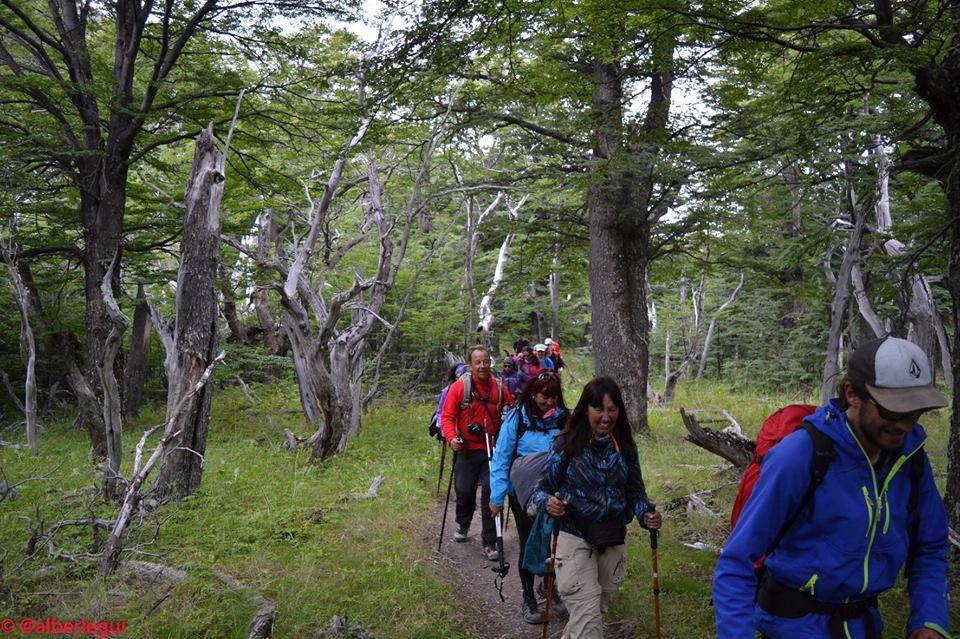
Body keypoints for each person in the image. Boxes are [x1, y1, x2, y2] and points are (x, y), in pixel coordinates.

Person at [713, 336, 950, 639]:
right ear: (852, 394)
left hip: (864, 627)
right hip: (794, 627)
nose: (905, 425)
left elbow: (930, 547)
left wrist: (929, 620)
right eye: (892, 411)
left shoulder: (910, 458)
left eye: (914, 413)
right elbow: (736, 562)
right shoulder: (802, 454)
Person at [531, 377, 662, 639]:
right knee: (588, 619)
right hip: (573, 534)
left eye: (612, 409)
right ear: (585, 410)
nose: (606, 417)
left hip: (611, 537)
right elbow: (540, 491)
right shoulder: (566, 444)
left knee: (592, 613)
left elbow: (635, 491)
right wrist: (549, 503)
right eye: (599, 409)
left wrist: (646, 514)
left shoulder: (624, 446)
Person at [489, 371, 568, 624]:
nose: (549, 402)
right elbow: (501, 457)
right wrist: (497, 497)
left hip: (555, 493)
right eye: (545, 397)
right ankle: (528, 597)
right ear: (533, 393)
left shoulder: (563, 418)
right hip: (523, 494)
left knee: (554, 542)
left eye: (554, 397)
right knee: (528, 542)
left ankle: (549, 587)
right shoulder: (518, 418)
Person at [441, 345, 514, 560]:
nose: (482, 366)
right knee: (464, 491)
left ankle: (490, 541)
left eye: (485, 361)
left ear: (490, 363)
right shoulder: (459, 387)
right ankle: (463, 524)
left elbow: (512, 412)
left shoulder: (499, 388)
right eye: (478, 362)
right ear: (471, 365)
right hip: (466, 449)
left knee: (492, 493)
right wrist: (452, 438)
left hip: (493, 451)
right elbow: (447, 417)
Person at [434, 363, 467, 435]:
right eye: (460, 375)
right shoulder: (448, 390)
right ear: (456, 377)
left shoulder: (471, 389)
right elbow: (440, 411)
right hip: (452, 427)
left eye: (465, 375)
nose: (463, 378)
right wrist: (443, 428)